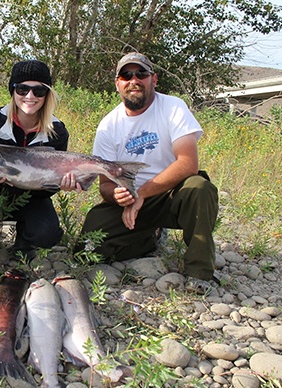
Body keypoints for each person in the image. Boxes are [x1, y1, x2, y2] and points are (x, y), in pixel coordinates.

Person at [78, 52, 219, 294]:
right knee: (88, 247)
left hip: (171, 193)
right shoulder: (108, 126)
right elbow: (104, 185)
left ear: (154, 79)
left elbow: (188, 164)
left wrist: (143, 193)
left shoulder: (173, 107)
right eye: (126, 75)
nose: (134, 80)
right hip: (132, 202)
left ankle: (199, 272)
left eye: (141, 74)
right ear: (117, 83)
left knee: (199, 188)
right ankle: (151, 237)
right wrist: (118, 196)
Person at [0, 60, 79, 271]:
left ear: (47, 95)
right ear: (13, 90)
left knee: (48, 234)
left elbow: (47, 190)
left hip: (32, 197)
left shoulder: (58, 132)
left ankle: (24, 242)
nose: (30, 96)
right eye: (22, 89)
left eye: (38, 90)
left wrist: (60, 184)